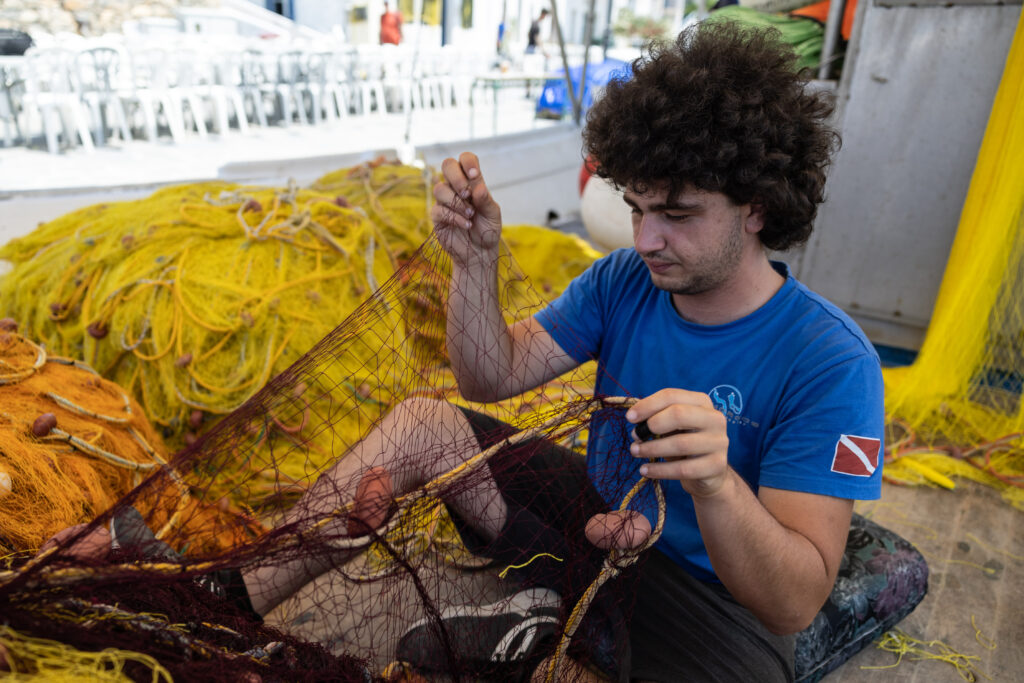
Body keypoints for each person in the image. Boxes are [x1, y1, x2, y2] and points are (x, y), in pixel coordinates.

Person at [47, 22, 885, 683]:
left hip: (711, 612)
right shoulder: (625, 280)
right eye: (634, 208)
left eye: (676, 212)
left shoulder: (830, 360)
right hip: (589, 530)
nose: (647, 237)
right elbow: (493, 375)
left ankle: (536, 635)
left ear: (759, 205)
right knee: (422, 423)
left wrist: (714, 483)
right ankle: (219, 598)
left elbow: (792, 600)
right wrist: (474, 264)